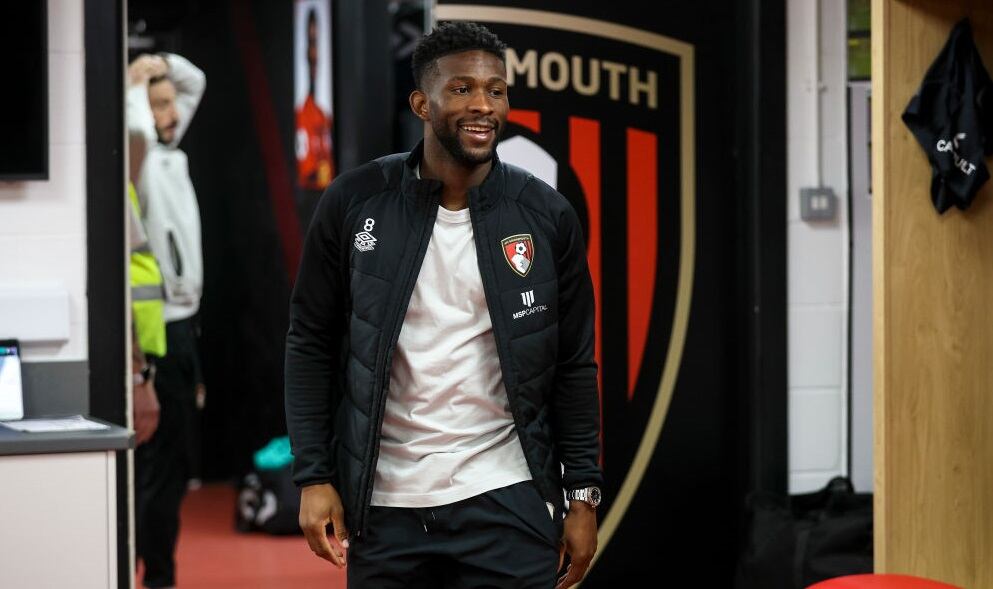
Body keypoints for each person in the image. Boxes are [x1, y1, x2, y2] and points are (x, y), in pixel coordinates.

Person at [285, 22, 602, 588]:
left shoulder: (546, 215)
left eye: (496, 90)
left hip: (506, 497)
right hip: (385, 505)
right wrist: (314, 475)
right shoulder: (355, 203)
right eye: (461, 89)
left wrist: (582, 494)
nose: (483, 105)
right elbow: (309, 341)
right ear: (422, 104)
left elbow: (575, 364)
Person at [126, 51, 206, 589]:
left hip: (187, 325)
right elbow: (134, 122)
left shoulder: (170, 151)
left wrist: (160, 63)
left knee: (170, 469)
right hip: (162, 329)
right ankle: (157, 578)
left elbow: (194, 81)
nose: (169, 110)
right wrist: (133, 85)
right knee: (160, 472)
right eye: (157, 103)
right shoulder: (139, 155)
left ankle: (157, 573)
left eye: (169, 100)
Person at [296, 7, 335, 190]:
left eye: (316, 44)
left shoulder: (323, 115)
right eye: (311, 43)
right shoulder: (302, 114)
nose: (314, 54)